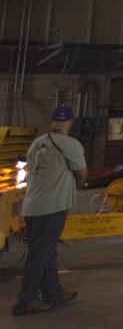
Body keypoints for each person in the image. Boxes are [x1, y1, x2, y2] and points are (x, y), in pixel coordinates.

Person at [14, 104, 86, 316]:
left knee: (47, 251)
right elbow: (81, 174)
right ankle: (25, 301)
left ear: (51, 122)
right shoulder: (70, 144)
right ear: (70, 122)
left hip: (32, 206)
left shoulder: (37, 143)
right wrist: (79, 187)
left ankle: (53, 292)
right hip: (52, 207)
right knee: (39, 254)